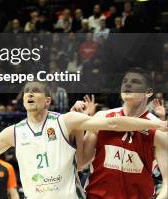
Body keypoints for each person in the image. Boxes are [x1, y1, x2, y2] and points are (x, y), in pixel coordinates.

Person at [0, 81, 168, 199]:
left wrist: (155, 124)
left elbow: (112, 123)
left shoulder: (65, 121)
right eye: (27, 92)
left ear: (48, 101)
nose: (30, 94)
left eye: (36, 91)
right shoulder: (13, 132)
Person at [72, 68, 168, 199]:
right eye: (125, 81)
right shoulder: (102, 117)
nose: (128, 84)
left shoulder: (159, 130)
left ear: (148, 92)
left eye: (135, 82)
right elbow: (81, 163)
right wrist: (77, 122)